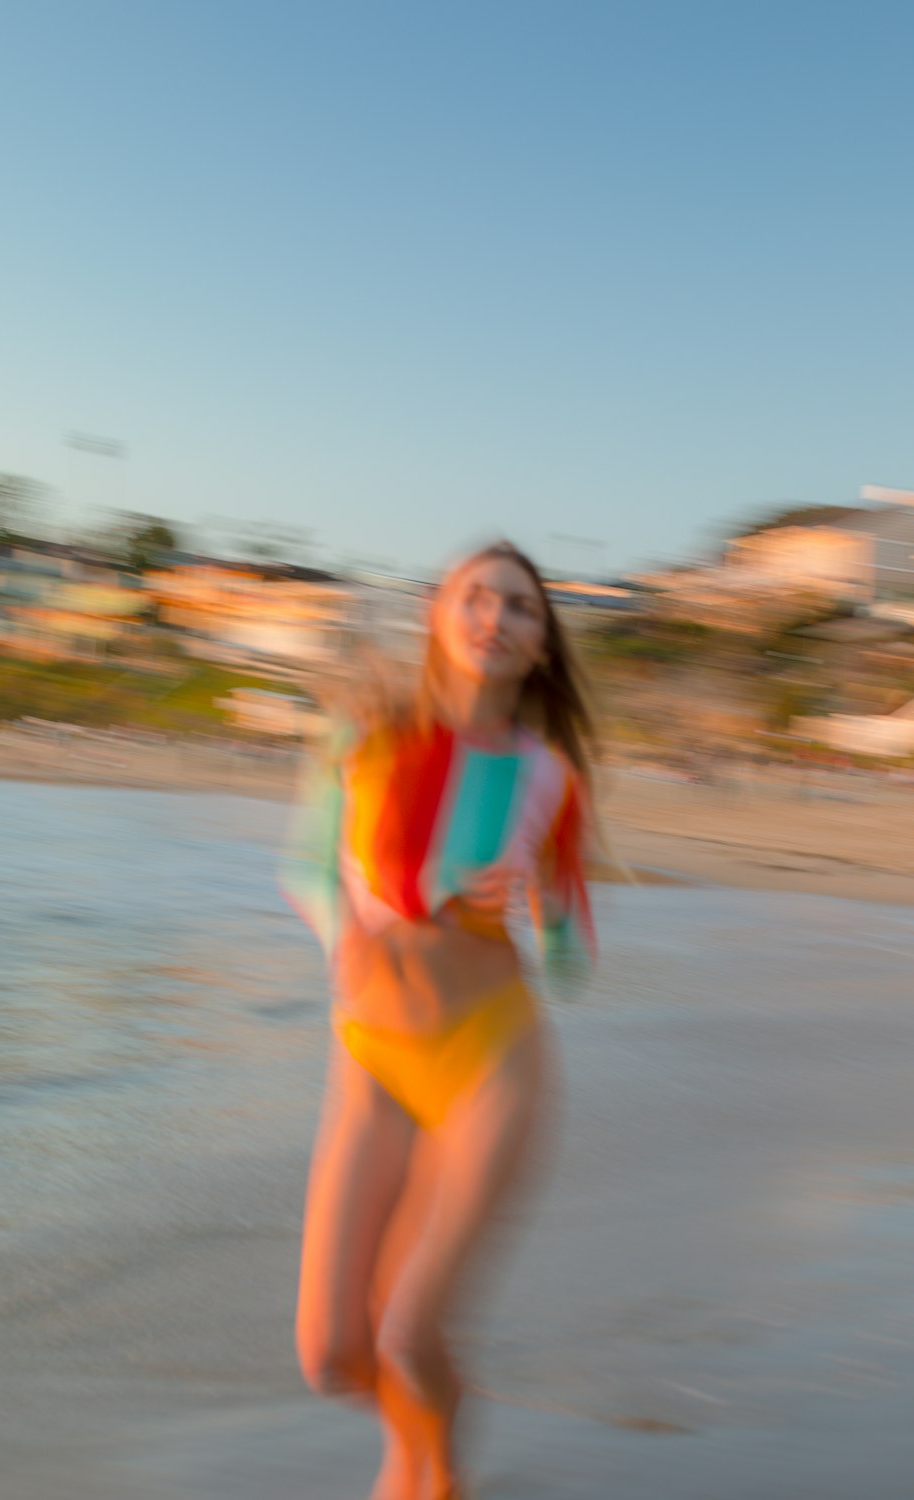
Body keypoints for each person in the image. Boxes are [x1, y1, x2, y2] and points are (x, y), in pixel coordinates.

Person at [281, 540, 600, 1500]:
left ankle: (438, 1477)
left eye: (521, 607)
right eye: (477, 598)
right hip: (371, 1056)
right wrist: (352, 939)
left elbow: (573, 962)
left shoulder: (551, 778)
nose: (497, 619)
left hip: (487, 1059)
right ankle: (415, 1454)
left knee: (407, 1331)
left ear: (542, 645)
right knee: (333, 1353)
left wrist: (537, 906)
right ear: (439, 615)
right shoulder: (363, 734)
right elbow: (306, 871)